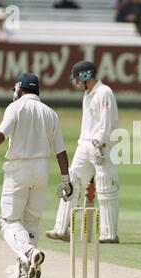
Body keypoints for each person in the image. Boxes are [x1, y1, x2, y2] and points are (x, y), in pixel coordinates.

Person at [0, 73, 73, 278]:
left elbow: (2, 132)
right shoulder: (50, 113)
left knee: (8, 221)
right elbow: (61, 151)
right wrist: (65, 179)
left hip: (19, 168)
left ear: (19, 89)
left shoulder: (16, 107)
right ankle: (24, 272)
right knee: (30, 222)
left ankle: (29, 252)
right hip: (42, 170)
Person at [46, 61, 120, 244]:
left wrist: (100, 144)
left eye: (78, 79)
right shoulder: (88, 94)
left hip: (101, 146)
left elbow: (106, 122)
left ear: (87, 76)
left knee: (105, 187)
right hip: (84, 144)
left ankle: (109, 233)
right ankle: (61, 228)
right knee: (71, 183)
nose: (76, 83)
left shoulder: (104, 93)